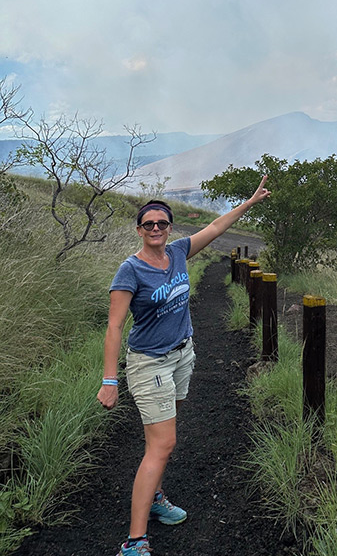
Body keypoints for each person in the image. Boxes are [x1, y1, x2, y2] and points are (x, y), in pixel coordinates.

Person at [97, 176, 270, 556]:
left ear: (169, 227)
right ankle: (134, 540)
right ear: (139, 229)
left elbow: (214, 227)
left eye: (162, 223)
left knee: (162, 440)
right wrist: (110, 380)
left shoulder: (177, 253)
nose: (156, 229)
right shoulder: (131, 270)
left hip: (181, 354)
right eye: (148, 224)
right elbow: (114, 327)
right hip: (150, 362)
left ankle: (155, 497)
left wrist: (250, 202)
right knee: (163, 444)